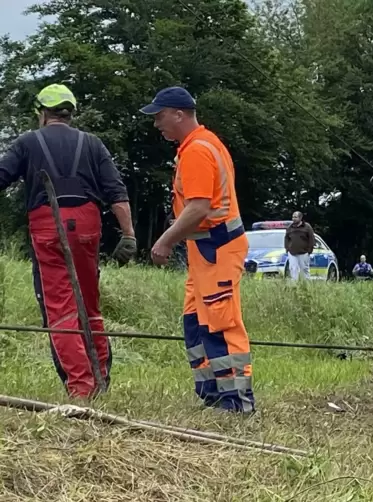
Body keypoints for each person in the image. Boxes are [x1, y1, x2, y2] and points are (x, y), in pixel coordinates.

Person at [0, 83, 137, 399]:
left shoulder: (27, 143)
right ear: (70, 113)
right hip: (88, 226)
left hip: (48, 225)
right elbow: (117, 193)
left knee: (61, 309)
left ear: (42, 113)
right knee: (89, 305)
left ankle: (81, 388)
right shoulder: (93, 144)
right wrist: (128, 235)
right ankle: (100, 378)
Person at [140, 85, 254, 413]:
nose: (156, 123)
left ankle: (236, 402)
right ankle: (211, 393)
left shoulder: (197, 151)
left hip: (217, 248)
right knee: (195, 321)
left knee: (220, 323)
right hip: (206, 250)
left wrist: (164, 240)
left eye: (159, 116)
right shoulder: (199, 145)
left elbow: (198, 208)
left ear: (179, 114)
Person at [284, 211, 314, 280]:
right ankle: (294, 285)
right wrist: (287, 248)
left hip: (304, 252)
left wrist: (310, 250)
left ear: (300, 218)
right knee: (293, 268)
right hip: (292, 252)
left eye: (295, 217)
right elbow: (286, 238)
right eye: (293, 217)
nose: (293, 219)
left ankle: (306, 285)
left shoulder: (307, 227)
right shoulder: (290, 227)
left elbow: (311, 238)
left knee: (304, 269)